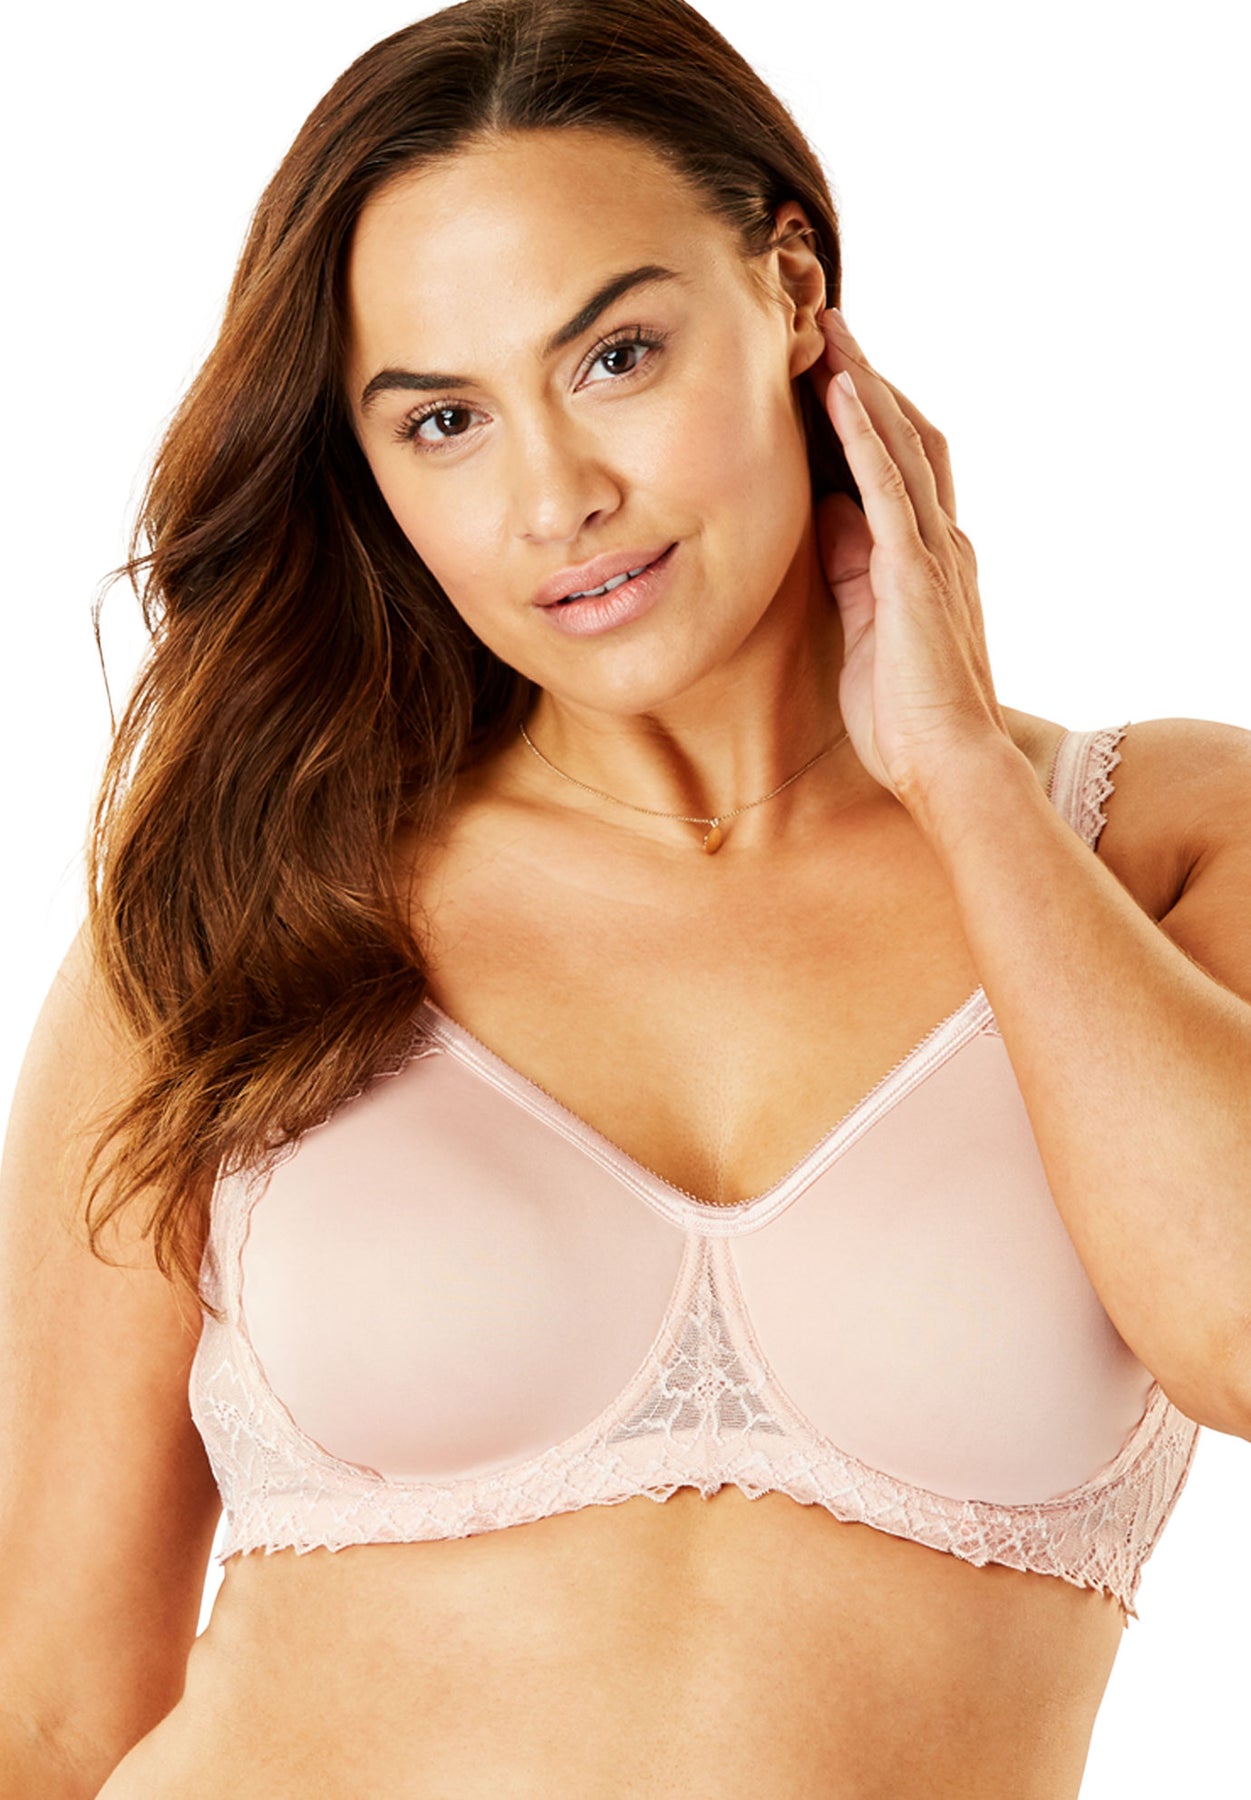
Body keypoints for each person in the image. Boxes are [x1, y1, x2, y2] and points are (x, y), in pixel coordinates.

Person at [2, 0, 1249, 1792]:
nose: (557, 499)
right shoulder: (241, 903)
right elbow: (48, 1702)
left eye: (616, 356)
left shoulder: (1161, 841)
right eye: (445, 419)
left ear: (792, 287)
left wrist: (962, 776)